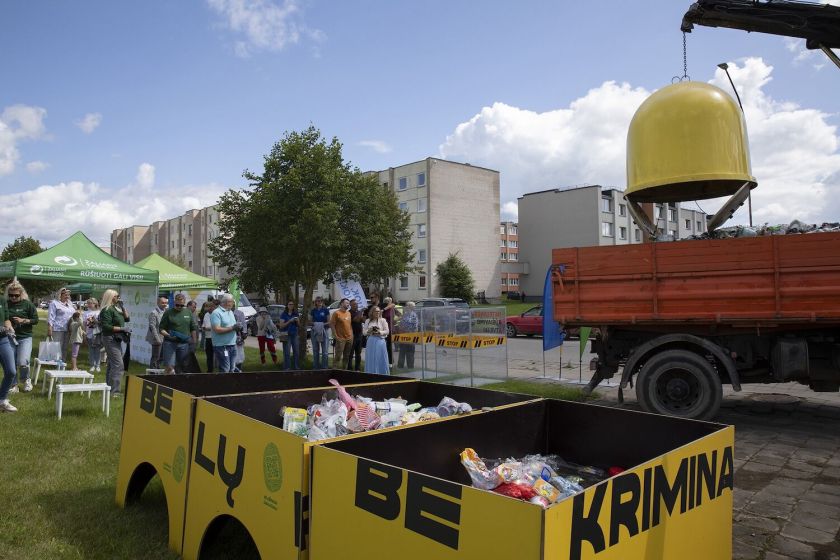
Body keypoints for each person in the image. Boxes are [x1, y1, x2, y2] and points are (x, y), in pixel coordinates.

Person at [5, 281, 38, 392]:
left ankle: (26, 380)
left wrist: (23, 320)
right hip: (9, 337)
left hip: (25, 337)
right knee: (11, 363)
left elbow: (35, 320)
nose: (13, 297)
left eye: (16, 295)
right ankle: (14, 385)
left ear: (21, 294)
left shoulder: (28, 304)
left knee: (23, 361)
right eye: (11, 295)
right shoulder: (5, 304)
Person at [99, 289, 130, 396]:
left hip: (116, 339)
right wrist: (122, 329)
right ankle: (114, 391)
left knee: (112, 364)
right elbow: (106, 327)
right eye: (117, 296)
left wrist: (122, 307)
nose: (119, 298)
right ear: (111, 297)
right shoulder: (107, 310)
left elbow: (127, 319)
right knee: (118, 365)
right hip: (110, 338)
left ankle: (108, 388)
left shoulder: (116, 309)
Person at [159, 293, 198, 375]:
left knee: (183, 366)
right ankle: (167, 383)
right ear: (174, 302)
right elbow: (161, 329)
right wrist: (169, 336)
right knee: (170, 366)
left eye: (181, 305)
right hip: (170, 343)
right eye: (177, 305)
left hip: (184, 344)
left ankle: (179, 384)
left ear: (184, 303)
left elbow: (193, 328)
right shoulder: (168, 313)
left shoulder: (188, 312)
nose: (179, 307)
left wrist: (194, 342)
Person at [210, 294, 238, 373]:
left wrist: (238, 329)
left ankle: (231, 385)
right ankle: (223, 384)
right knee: (225, 369)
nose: (233, 304)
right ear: (227, 302)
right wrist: (232, 328)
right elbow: (217, 329)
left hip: (232, 344)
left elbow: (232, 326)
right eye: (232, 302)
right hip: (222, 346)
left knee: (232, 368)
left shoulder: (230, 312)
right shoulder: (216, 313)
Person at [0, 299, 19, 412]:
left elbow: (6, 319)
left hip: (3, 339)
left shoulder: (2, 300)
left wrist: (9, 327)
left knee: (11, 371)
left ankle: (2, 400)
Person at [47, 287, 75, 360]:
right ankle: (54, 361)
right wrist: (50, 327)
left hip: (68, 329)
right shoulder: (54, 303)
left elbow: (74, 314)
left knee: (65, 347)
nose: (67, 296)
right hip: (57, 328)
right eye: (65, 294)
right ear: (60, 294)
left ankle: (62, 362)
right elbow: (51, 316)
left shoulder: (70, 304)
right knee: (56, 346)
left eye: (68, 295)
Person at [363, 306, 390, 375]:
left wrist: (379, 332)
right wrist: (369, 331)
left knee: (381, 357)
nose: (378, 312)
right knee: (371, 357)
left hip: (380, 341)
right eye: (376, 311)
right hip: (371, 341)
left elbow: (387, 331)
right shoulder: (368, 321)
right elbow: (364, 332)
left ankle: (382, 373)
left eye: (378, 311)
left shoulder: (383, 320)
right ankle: (370, 373)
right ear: (372, 312)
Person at [329, 298, 353, 369]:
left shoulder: (348, 313)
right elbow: (332, 325)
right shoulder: (336, 313)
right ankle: (334, 372)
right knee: (338, 357)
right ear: (341, 304)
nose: (348, 304)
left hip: (349, 338)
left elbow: (349, 325)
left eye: (348, 303)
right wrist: (336, 336)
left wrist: (351, 335)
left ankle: (344, 371)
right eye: (346, 303)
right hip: (340, 339)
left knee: (346, 356)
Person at [146, 296, 167, 369]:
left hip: (164, 337)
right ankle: (152, 372)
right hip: (156, 338)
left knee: (161, 356)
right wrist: (158, 339)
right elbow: (152, 327)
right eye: (163, 303)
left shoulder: (165, 311)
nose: (164, 304)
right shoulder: (153, 313)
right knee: (155, 357)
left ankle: (157, 370)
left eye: (165, 303)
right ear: (158, 303)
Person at [397, 301, 419, 369]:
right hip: (403, 335)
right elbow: (400, 324)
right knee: (402, 351)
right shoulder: (404, 314)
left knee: (410, 352)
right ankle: (400, 366)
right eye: (406, 306)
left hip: (410, 336)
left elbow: (415, 326)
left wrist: (407, 329)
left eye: (407, 306)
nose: (406, 307)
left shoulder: (414, 315)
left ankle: (410, 367)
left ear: (410, 307)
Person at [310, 296, 330, 369]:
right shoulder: (313, 310)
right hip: (315, 331)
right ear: (315, 302)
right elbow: (310, 321)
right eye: (317, 301)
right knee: (315, 350)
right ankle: (316, 366)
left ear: (322, 302)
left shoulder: (325, 310)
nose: (319, 302)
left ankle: (324, 367)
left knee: (325, 351)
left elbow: (329, 321)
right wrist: (316, 324)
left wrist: (321, 324)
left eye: (320, 301)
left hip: (324, 330)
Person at [83, 298, 102, 373]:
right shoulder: (86, 313)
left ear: (95, 304)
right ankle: (92, 365)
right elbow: (84, 324)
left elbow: (101, 323)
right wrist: (84, 333)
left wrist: (96, 321)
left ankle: (97, 365)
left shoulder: (99, 312)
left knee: (97, 350)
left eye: (91, 303)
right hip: (89, 333)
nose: (89, 305)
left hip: (97, 333)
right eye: (88, 303)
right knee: (91, 350)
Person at [279, 301, 300, 370]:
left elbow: (299, 325)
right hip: (286, 335)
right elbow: (281, 326)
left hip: (295, 334)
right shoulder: (283, 314)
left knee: (296, 351)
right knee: (287, 352)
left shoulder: (295, 314)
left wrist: (297, 321)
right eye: (290, 304)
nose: (291, 306)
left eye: (292, 304)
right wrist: (289, 321)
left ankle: (296, 367)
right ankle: (287, 367)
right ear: (287, 305)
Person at [381, 296, 399, 366]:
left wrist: (395, 320)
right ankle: (386, 360)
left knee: (389, 346)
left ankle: (390, 362)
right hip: (384, 329)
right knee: (384, 346)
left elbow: (399, 314)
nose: (388, 303)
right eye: (387, 302)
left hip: (390, 328)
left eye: (388, 302)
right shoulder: (383, 308)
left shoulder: (392, 307)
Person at [347, 299, 364, 371]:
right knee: (350, 353)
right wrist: (360, 312)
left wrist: (363, 314)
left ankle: (357, 368)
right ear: (350, 305)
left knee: (358, 353)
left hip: (359, 335)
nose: (356, 305)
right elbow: (356, 320)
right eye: (354, 304)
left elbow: (362, 320)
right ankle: (350, 368)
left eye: (357, 304)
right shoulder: (349, 313)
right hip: (352, 335)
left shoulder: (358, 312)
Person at [201, 300, 218, 373]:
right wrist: (204, 328)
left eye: (207, 307)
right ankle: (210, 370)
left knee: (218, 354)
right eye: (205, 307)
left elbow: (217, 326)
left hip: (215, 337)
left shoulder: (216, 314)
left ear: (212, 307)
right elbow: (204, 326)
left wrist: (209, 328)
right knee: (209, 355)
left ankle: (220, 368)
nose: (205, 308)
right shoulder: (206, 314)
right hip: (208, 338)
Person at [233, 304, 247, 372]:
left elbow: (244, 324)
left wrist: (244, 333)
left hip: (238, 337)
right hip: (230, 338)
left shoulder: (240, 313)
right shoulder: (224, 313)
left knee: (240, 353)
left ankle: (239, 368)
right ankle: (234, 369)